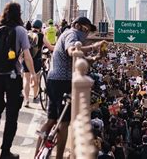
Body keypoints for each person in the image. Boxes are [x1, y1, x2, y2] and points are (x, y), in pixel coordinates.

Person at [35, 17, 106, 159]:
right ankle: (59, 157)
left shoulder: (70, 34)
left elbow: (82, 61)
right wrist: (94, 46)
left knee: (52, 120)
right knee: (64, 123)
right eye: (86, 30)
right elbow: (72, 50)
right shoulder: (71, 34)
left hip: (54, 81)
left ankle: (37, 153)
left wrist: (97, 57)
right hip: (62, 82)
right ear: (77, 26)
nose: (87, 34)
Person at [0, 2, 37, 159]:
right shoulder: (20, 30)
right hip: (13, 76)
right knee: (12, 114)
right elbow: (27, 56)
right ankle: (5, 151)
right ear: (18, 13)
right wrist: (33, 74)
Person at [23, 19, 54, 107]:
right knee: (36, 78)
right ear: (40, 27)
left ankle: (26, 100)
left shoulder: (26, 34)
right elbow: (50, 48)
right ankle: (35, 96)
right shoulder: (41, 36)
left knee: (26, 79)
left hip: (26, 59)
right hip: (36, 60)